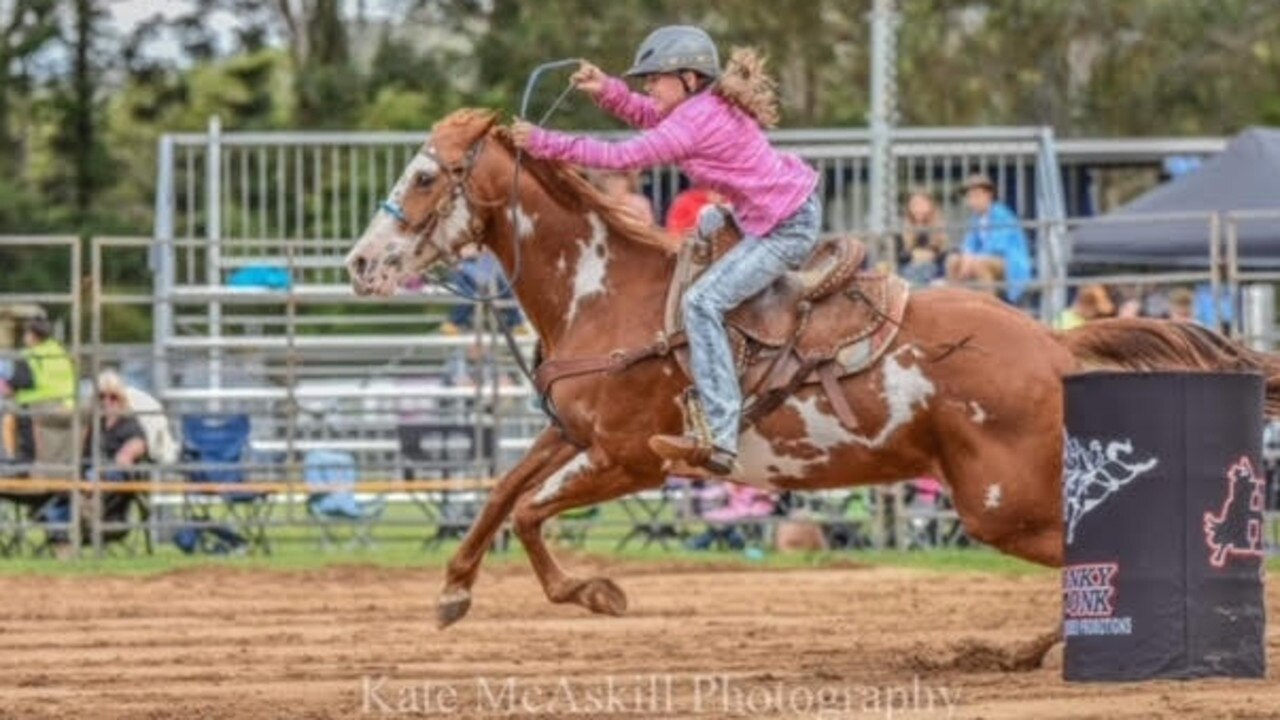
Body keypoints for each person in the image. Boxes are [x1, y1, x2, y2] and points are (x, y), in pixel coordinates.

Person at [513, 26, 821, 475]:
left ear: (690, 78)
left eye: (655, 78)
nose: (648, 86)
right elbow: (648, 116)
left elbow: (624, 158)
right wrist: (607, 92)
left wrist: (545, 143)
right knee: (705, 226)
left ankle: (719, 429)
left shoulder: (697, 119)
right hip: (766, 217)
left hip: (783, 228)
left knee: (702, 302)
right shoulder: (699, 110)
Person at [0, 316, 76, 469]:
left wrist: (5, 387)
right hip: (67, 406)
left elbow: (16, 385)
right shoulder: (61, 352)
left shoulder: (30, 355)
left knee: (7, 414)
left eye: (25, 333)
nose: (24, 337)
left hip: (37, 406)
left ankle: (16, 460)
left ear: (33, 335)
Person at [945, 173, 1032, 304]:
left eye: (976, 195)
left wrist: (971, 259)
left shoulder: (1002, 214)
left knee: (980, 263)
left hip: (1009, 262)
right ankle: (956, 303)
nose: (972, 200)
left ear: (989, 195)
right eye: (969, 196)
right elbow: (969, 243)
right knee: (953, 261)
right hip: (982, 258)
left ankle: (988, 306)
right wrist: (965, 257)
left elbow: (997, 247)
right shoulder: (976, 218)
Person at [895, 189, 949, 287]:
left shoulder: (938, 224)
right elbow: (904, 255)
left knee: (926, 269)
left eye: (921, 204)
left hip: (934, 268)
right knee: (906, 272)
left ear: (930, 205)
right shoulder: (907, 226)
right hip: (911, 267)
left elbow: (938, 253)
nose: (917, 208)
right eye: (914, 205)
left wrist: (919, 254)